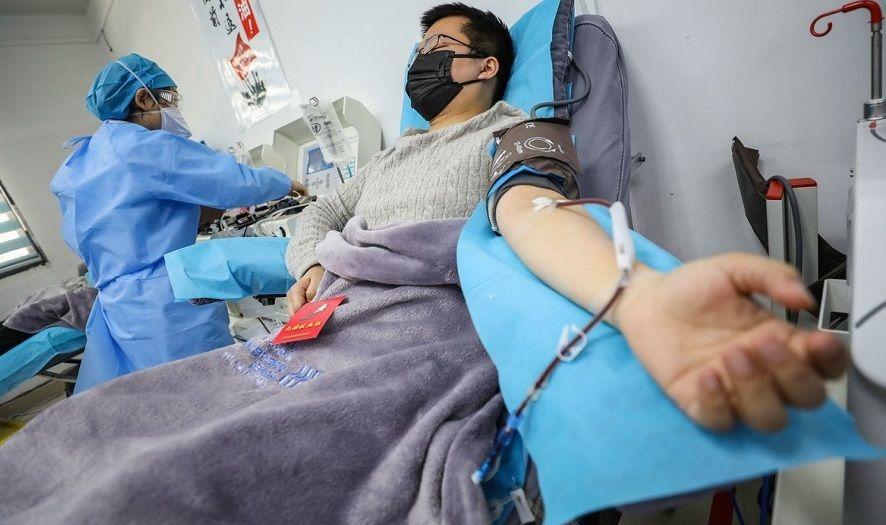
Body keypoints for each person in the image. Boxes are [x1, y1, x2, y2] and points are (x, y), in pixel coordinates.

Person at [286, 4, 847, 433]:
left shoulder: (515, 131)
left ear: (485, 65)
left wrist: (635, 293)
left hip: (408, 335)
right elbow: (322, 212)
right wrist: (309, 263)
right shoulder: (390, 156)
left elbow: (531, 206)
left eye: (438, 45)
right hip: (332, 317)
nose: (421, 59)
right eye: (419, 49)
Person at [50, 53, 306, 392]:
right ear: (144, 98)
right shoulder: (139, 146)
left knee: (166, 394)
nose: (173, 106)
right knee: (211, 387)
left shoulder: (79, 163)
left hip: (122, 307)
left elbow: (108, 228)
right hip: (166, 298)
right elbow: (226, 179)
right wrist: (283, 183)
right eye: (169, 97)